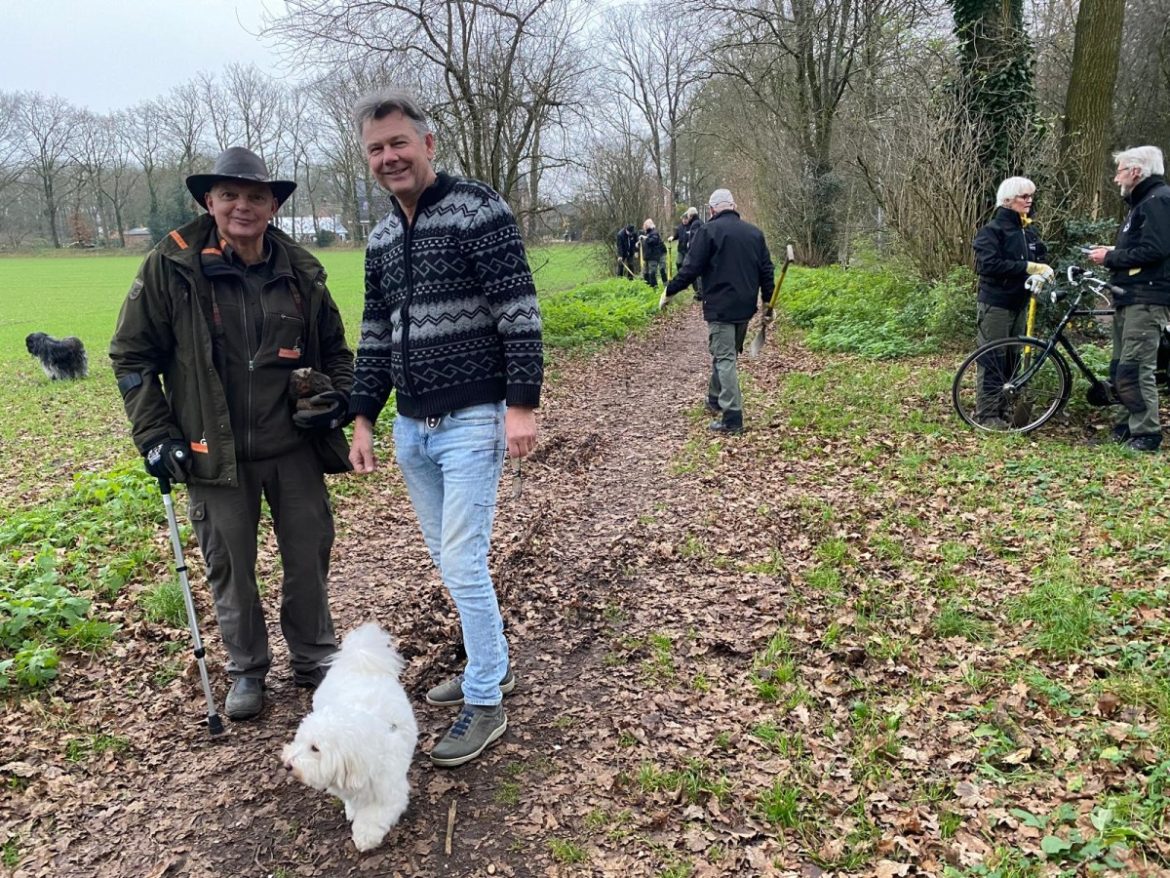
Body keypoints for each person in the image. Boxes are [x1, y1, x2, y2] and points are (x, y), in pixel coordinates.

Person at [110, 147, 354, 721]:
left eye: (255, 197)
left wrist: (336, 402)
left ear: (273, 205)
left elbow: (338, 354)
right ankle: (247, 671)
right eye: (229, 195)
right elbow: (131, 358)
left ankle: (315, 659)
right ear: (209, 202)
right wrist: (154, 434)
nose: (242, 206)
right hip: (209, 452)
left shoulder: (303, 272)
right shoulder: (168, 268)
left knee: (308, 556)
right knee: (230, 567)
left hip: (292, 448)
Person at [347, 88, 543, 768]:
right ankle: (493, 663)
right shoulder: (378, 239)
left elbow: (518, 308)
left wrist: (522, 403)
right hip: (412, 428)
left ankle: (485, 699)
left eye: (399, 142)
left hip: (472, 419)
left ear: (428, 144)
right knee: (453, 563)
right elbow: (376, 332)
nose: (388, 157)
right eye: (375, 148)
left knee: (462, 560)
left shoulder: (476, 209)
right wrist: (363, 415)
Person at [661, 188, 774, 434]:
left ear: (712, 210)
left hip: (720, 309)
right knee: (726, 353)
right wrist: (767, 302)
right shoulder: (754, 233)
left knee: (725, 358)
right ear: (733, 206)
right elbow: (766, 270)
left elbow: (690, 268)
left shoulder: (708, 231)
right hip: (745, 308)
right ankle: (714, 399)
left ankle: (732, 417)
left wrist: (669, 291)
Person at [1088, 146, 1170, 452]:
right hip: (1130, 296)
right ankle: (1125, 426)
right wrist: (1113, 252)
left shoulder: (1158, 201)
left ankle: (1147, 434)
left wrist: (1110, 256)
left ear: (1136, 172)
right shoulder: (1141, 204)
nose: (1115, 178)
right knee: (1120, 366)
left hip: (1146, 297)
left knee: (1137, 366)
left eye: (1120, 170)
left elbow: (1156, 251)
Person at [971, 176, 1052, 429]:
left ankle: (1004, 407)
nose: (1029, 201)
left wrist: (1042, 271)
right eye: (1023, 197)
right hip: (996, 303)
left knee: (1012, 358)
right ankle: (987, 414)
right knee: (992, 357)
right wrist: (1027, 267)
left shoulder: (1028, 232)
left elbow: (1041, 256)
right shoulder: (992, 231)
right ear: (1007, 200)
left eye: (1031, 196)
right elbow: (988, 265)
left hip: (1021, 303)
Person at [668, 207, 703, 299]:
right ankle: (684, 281)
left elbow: (694, 237)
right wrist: (672, 238)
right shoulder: (680, 227)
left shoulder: (692, 226)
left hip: (689, 251)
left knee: (689, 268)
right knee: (679, 263)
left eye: (685, 219)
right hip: (681, 249)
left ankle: (695, 288)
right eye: (683, 219)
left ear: (688, 218)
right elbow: (677, 236)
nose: (684, 221)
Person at [640, 219, 668, 289]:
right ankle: (650, 287)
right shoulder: (647, 233)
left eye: (646, 226)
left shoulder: (654, 233)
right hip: (650, 255)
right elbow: (646, 244)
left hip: (659, 254)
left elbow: (652, 241)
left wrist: (645, 238)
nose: (644, 227)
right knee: (646, 273)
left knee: (661, 270)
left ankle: (665, 286)